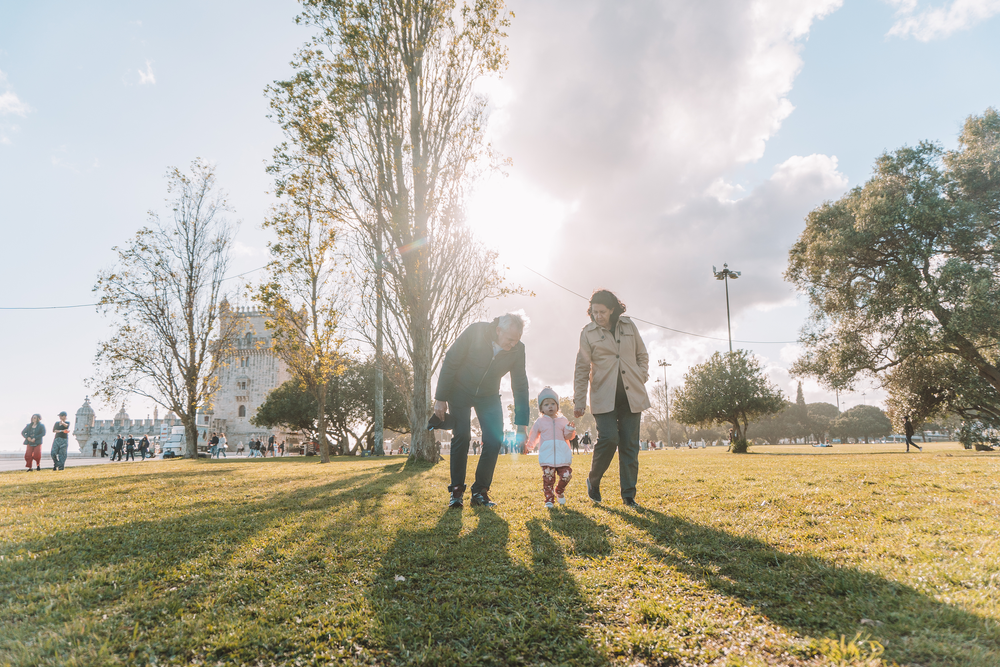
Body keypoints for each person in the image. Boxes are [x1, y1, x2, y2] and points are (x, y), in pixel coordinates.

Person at [434, 313, 530, 509]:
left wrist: (521, 423)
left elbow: (520, 385)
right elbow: (451, 360)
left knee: (495, 440)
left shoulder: (518, 349)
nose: (512, 345)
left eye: (516, 340)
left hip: (488, 395)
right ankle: (457, 491)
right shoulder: (476, 331)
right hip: (459, 390)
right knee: (462, 435)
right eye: (510, 339)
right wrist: (440, 398)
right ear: (498, 330)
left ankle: (480, 491)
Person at [574, 290, 650, 508]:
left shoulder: (629, 326)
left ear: (613, 310)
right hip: (602, 395)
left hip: (631, 395)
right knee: (609, 438)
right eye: (594, 312)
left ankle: (628, 495)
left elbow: (642, 355)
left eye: (602, 312)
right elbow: (581, 368)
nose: (598, 316)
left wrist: (641, 375)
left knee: (629, 445)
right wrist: (579, 400)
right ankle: (593, 480)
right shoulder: (587, 333)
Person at [526, 387, 576, 509]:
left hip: (562, 455)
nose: (550, 406)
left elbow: (568, 437)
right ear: (541, 408)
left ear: (557, 406)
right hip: (547, 456)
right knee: (548, 479)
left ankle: (559, 490)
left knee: (566, 475)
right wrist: (529, 446)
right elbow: (533, 435)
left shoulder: (563, 420)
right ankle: (549, 499)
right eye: (546, 404)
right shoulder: (540, 421)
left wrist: (570, 429)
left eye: (553, 403)